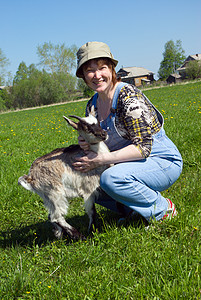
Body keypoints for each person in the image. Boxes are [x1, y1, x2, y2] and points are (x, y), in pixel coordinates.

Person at [73, 41, 183, 223]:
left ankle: (163, 210)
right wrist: (87, 143)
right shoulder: (92, 105)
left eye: (102, 68)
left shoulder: (127, 97)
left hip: (160, 161)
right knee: (85, 180)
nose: (97, 75)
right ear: (83, 76)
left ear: (112, 69)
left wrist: (100, 160)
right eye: (90, 71)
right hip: (129, 164)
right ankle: (134, 210)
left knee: (110, 178)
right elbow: (98, 144)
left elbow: (143, 149)